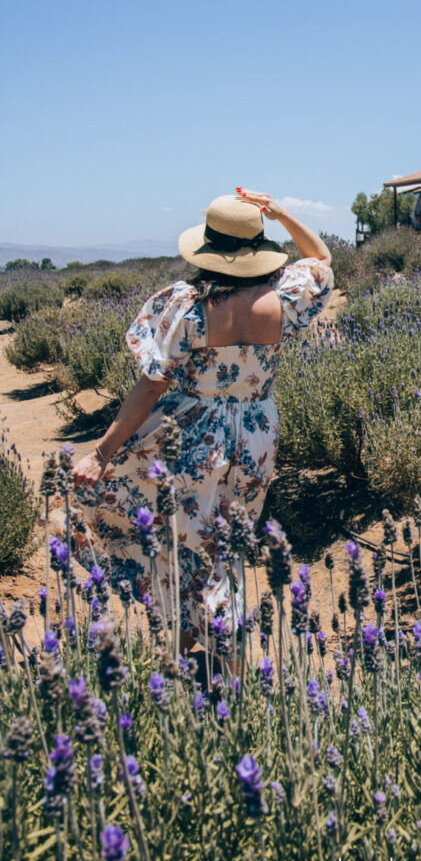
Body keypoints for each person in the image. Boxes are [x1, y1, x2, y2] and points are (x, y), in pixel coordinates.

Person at [68, 190, 334, 651]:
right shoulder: (286, 298)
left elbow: (152, 386)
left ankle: (200, 633)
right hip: (256, 434)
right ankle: (208, 638)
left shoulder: (187, 308)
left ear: (207, 251)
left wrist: (101, 453)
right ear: (257, 250)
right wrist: (280, 212)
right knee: (226, 543)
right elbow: (321, 257)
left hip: (195, 433)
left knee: (182, 534)